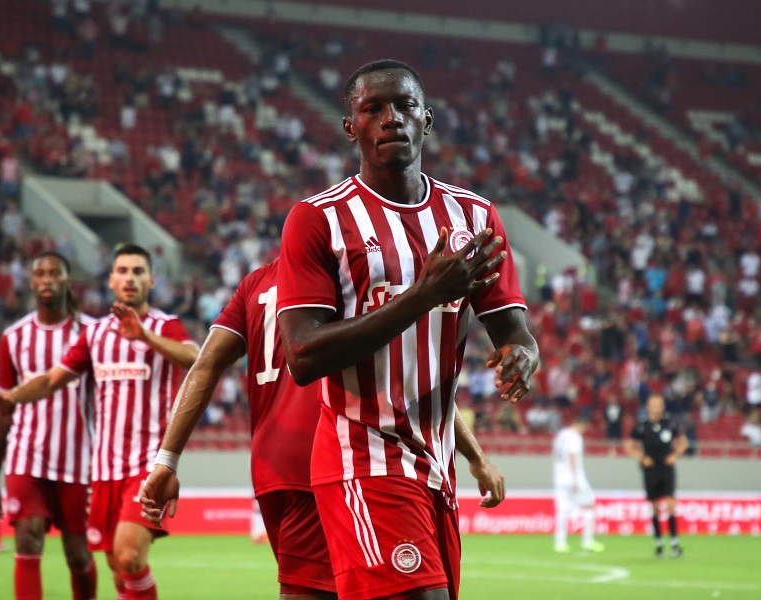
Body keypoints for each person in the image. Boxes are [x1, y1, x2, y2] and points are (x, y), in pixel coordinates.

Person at [276, 59, 539, 600]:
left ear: (427, 119)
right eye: (372, 108)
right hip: (362, 457)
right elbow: (302, 356)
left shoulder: (475, 218)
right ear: (350, 127)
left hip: (437, 468)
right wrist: (422, 296)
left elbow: (514, 332)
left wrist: (522, 355)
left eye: (404, 105)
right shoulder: (318, 219)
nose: (390, 118)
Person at [139, 259, 506, 599]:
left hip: (272, 468)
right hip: (339, 458)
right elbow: (404, 380)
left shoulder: (255, 283)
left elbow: (205, 364)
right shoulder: (350, 273)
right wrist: (476, 456)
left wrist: (167, 460)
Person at [0, 244, 199, 600]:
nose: (130, 278)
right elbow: (52, 379)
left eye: (138, 271)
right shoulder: (95, 335)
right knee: (117, 566)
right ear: (111, 280)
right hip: (104, 470)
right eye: (122, 271)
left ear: (152, 280)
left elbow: (194, 357)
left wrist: (144, 336)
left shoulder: (165, 325)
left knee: (129, 555)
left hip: (149, 465)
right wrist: (12, 396)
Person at [0, 251, 97, 599]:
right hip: (25, 457)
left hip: (78, 461)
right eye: (40, 274)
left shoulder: (92, 333)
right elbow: (3, 411)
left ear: (68, 280)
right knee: (27, 540)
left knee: (78, 554)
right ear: (31, 281)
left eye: (55, 273)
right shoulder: (13, 337)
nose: (47, 279)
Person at [624, 393, 687, 558]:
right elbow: (629, 445)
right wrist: (642, 458)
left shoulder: (670, 423)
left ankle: (674, 543)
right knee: (655, 506)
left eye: (658, 404)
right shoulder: (642, 425)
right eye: (652, 404)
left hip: (666, 468)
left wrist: (675, 455)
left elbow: (683, 441)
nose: (655, 407)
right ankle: (659, 543)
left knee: (671, 503)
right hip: (651, 469)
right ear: (648, 406)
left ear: (662, 406)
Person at [552, 416, 604, 553]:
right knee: (589, 505)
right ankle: (588, 541)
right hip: (574, 478)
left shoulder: (561, 435)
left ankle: (560, 544)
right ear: (582, 425)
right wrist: (575, 478)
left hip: (560, 478)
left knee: (562, 511)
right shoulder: (575, 437)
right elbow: (572, 456)